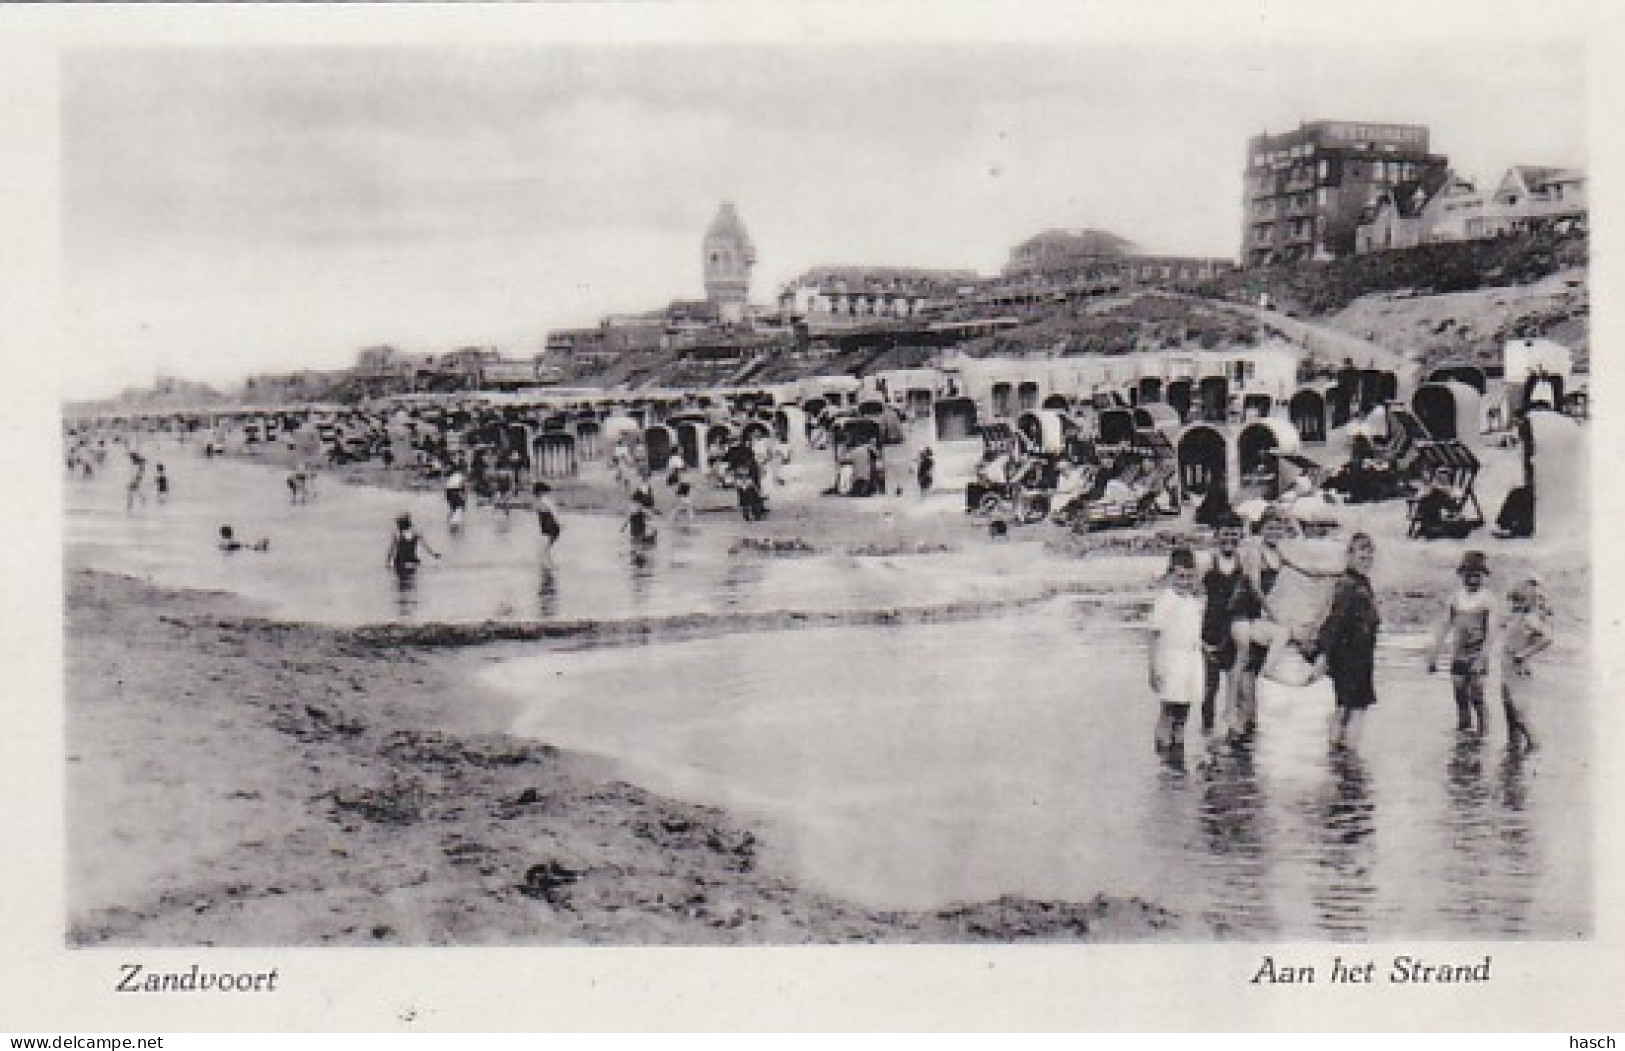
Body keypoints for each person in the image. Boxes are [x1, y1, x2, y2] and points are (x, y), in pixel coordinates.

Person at [1312, 533, 1381, 751]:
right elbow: (1334, 622)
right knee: (1353, 707)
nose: (1367, 556)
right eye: (1362, 551)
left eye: (1370, 552)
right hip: (1348, 656)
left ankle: (1339, 753)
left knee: (1348, 706)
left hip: (1361, 656)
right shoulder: (1347, 585)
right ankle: (1348, 756)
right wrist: (1323, 655)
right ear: (1349, 555)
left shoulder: (1361, 583)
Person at [1428, 550, 1497, 734]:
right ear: (1462, 575)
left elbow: (1491, 632)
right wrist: (1434, 653)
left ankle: (1483, 734)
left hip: (1477, 653)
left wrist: (1483, 657)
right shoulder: (1456, 598)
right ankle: (1463, 731)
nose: (1472, 579)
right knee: (1459, 695)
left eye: (1477, 575)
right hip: (1458, 653)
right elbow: (1444, 626)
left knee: (1477, 696)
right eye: (1468, 575)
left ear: (1483, 576)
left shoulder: (1488, 599)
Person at [1149, 545, 1206, 760]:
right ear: (1171, 574)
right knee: (1168, 708)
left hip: (1191, 660)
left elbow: (1192, 629)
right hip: (1171, 659)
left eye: (1189, 577)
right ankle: (1162, 757)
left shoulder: (1193, 601)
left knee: (1185, 707)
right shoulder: (1166, 600)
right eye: (1180, 576)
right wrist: (1153, 669)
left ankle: (1177, 751)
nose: (1184, 582)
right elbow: (1154, 635)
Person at [1199, 512, 1246, 734]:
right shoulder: (1208, 562)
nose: (1229, 539)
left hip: (1234, 629)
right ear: (1216, 536)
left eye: (1234, 534)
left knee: (1235, 686)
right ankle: (1207, 735)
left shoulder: (1243, 562)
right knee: (1210, 688)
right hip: (1211, 629)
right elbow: (1196, 596)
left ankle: (1231, 734)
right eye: (1224, 534)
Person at [1499, 575, 1552, 754]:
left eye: (1520, 600)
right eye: (1513, 600)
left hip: (1519, 672)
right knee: (1510, 715)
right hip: (1507, 672)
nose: (1515, 604)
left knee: (1521, 716)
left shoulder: (1530, 618)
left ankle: (1535, 747)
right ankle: (1513, 748)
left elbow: (1547, 638)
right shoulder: (1516, 617)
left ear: (1530, 601)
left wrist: (1524, 654)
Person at [532, 482, 561, 571]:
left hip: (549, 524)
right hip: (548, 524)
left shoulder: (543, 500)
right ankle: (548, 564)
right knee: (547, 546)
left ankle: (547, 564)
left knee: (546, 546)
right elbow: (553, 511)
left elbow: (553, 511)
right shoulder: (542, 500)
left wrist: (558, 522)